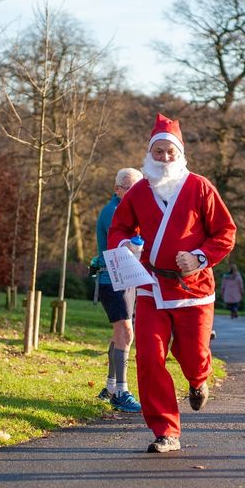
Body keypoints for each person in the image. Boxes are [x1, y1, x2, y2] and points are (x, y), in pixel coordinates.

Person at [108, 113, 236, 453]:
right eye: (158, 151)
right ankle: (166, 430)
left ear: (180, 154)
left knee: (193, 355)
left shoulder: (200, 187)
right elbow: (119, 228)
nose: (164, 158)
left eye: (170, 152)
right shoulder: (138, 191)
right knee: (150, 358)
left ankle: (198, 379)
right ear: (149, 154)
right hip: (151, 287)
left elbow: (225, 232)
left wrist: (200, 257)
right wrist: (126, 246)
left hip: (194, 289)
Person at [93, 167, 144, 413]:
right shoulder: (114, 212)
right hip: (112, 279)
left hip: (124, 279)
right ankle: (121, 392)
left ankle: (111, 387)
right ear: (118, 189)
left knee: (119, 333)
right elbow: (127, 248)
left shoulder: (127, 210)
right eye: (132, 189)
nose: (137, 193)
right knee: (125, 331)